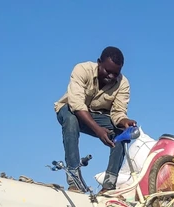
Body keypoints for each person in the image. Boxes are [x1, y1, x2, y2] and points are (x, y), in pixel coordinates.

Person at [54, 47, 137, 192]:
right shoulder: (82, 69)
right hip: (70, 111)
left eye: (115, 74)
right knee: (71, 120)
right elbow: (77, 105)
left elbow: (118, 112)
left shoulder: (123, 83)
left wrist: (124, 121)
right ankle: (74, 179)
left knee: (122, 133)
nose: (110, 76)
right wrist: (98, 130)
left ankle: (108, 186)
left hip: (97, 116)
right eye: (107, 71)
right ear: (99, 62)